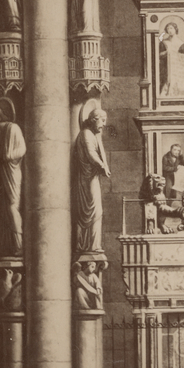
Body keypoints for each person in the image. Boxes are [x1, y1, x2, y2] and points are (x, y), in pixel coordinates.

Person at [0, 103, 26, 257]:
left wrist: (7, 156)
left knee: (12, 206)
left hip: (13, 172)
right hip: (5, 173)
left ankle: (19, 244)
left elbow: (22, 149)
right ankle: (11, 244)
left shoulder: (13, 128)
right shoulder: (2, 132)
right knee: (5, 208)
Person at [73, 105, 110, 255]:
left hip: (91, 178)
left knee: (96, 212)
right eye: (102, 120)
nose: (104, 124)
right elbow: (91, 154)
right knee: (94, 212)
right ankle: (88, 246)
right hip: (86, 180)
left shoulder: (92, 135)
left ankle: (92, 245)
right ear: (94, 120)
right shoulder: (86, 134)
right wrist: (102, 165)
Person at [159, 22, 184, 97]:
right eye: (168, 28)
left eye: (171, 28)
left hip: (178, 68)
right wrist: (166, 52)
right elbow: (158, 55)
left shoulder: (182, 43)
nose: (169, 30)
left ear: (175, 29)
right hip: (167, 67)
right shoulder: (164, 42)